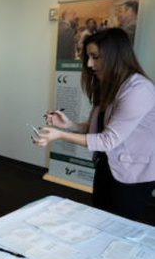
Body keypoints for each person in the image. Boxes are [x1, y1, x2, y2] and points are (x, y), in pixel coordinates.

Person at [33, 28, 155, 221]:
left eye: (95, 57)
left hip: (133, 172)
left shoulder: (139, 90)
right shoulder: (109, 84)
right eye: (88, 57)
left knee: (119, 226)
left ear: (115, 56)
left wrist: (60, 136)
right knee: (99, 218)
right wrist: (67, 125)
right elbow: (95, 128)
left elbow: (107, 140)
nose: (89, 64)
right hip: (108, 164)